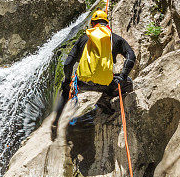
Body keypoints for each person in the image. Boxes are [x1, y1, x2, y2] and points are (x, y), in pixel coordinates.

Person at [51, 10, 136, 140]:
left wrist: (68, 80)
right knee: (128, 83)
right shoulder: (115, 38)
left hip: (83, 83)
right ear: (106, 24)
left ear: (92, 24)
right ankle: (105, 99)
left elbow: (68, 63)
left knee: (66, 89)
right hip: (106, 84)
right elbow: (131, 55)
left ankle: (56, 121)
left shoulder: (84, 38)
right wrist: (123, 76)